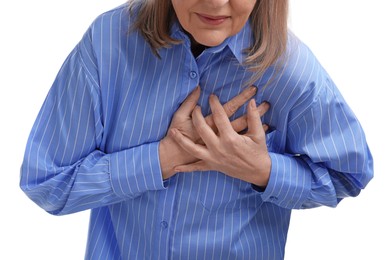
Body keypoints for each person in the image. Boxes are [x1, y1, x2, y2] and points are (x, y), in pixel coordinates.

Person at [20, 0, 373, 259]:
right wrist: (163, 158)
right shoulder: (107, 44)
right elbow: (47, 182)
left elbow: (350, 174)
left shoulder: (289, 70)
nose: (216, 2)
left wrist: (262, 170)